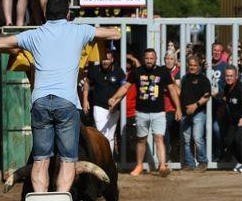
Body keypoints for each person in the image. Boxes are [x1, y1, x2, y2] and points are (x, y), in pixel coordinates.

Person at [0, 0, 121, 192]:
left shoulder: (34, 34)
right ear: (68, 14)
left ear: (45, 14)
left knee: (40, 161)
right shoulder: (79, 32)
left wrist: (16, 50)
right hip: (66, 103)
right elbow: (115, 34)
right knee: (68, 161)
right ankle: (61, 200)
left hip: (41, 102)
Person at [124, 48, 181, 176]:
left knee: (159, 138)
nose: (149, 60)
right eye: (147, 58)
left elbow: (172, 90)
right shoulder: (137, 72)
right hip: (141, 112)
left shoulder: (163, 71)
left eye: (151, 58)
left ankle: (162, 166)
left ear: (155, 59)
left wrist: (178, 108)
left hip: (159, 112)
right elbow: (125, 87)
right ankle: (139, 166)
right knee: (141, 139)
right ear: (144, 59)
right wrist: (115, 98)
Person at [82, 50, 129, 153]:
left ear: (112, 59)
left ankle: (109, 162)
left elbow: (124, 88)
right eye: (103, 59)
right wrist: (85, 100)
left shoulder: (118, 71)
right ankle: (102, 162)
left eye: (107, 59)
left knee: (110, 136)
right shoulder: (94, 70)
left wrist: (115, 103)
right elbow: (86, 83)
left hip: (114, 108)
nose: (105, 61)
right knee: (102, 135)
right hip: (99, 106)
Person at [179, 55, 212, 170]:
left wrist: (195, 105)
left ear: (199, 66)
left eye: (195, 65)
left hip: (198, 113)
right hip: (185, 113)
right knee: (186, 140)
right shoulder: (184, 78)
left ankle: (203, 162)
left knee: (197, 138)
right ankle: (189, 163)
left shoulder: (203, 79)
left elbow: (207, 95)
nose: (192, 67)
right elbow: (180, 94)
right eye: (190, 65)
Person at [217, 65, 242, 172]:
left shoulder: (241, 89)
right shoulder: (227, 87)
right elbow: (225, 98)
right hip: (233, 121)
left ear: (236, 76)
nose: (229, 78)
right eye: (227, 76)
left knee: (238, 140)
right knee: (228, 142)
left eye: (231, 76)